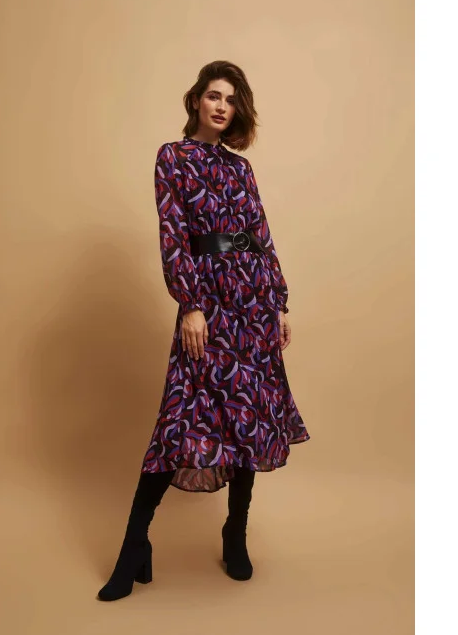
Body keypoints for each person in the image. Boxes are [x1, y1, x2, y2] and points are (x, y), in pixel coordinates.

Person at [97, 60, 310, 602]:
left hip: (252, 302)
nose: (222, 107)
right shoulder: (172, 157)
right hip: (209, 302)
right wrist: (190, 304)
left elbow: (261, 235)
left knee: (246, 418)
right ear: (196, 100)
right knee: (178, 423)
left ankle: (235, 535)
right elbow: (172, 234)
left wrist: (278, 302)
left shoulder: (241, 169)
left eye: (231, 100)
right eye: (214, 95)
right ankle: (133, 548)